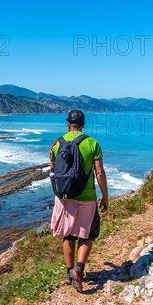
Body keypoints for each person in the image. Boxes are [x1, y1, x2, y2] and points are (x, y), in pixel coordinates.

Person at [49, 110, 109, 292]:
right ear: (83, 125)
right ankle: (79, 268)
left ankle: (69, 274)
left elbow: (53, 170)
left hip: (64, 197)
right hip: (87, 197)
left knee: (68, 235)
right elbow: (99, 172)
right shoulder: (92, 143)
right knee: (88, 234)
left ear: (68, 123)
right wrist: (105, 197)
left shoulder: (57, 143)